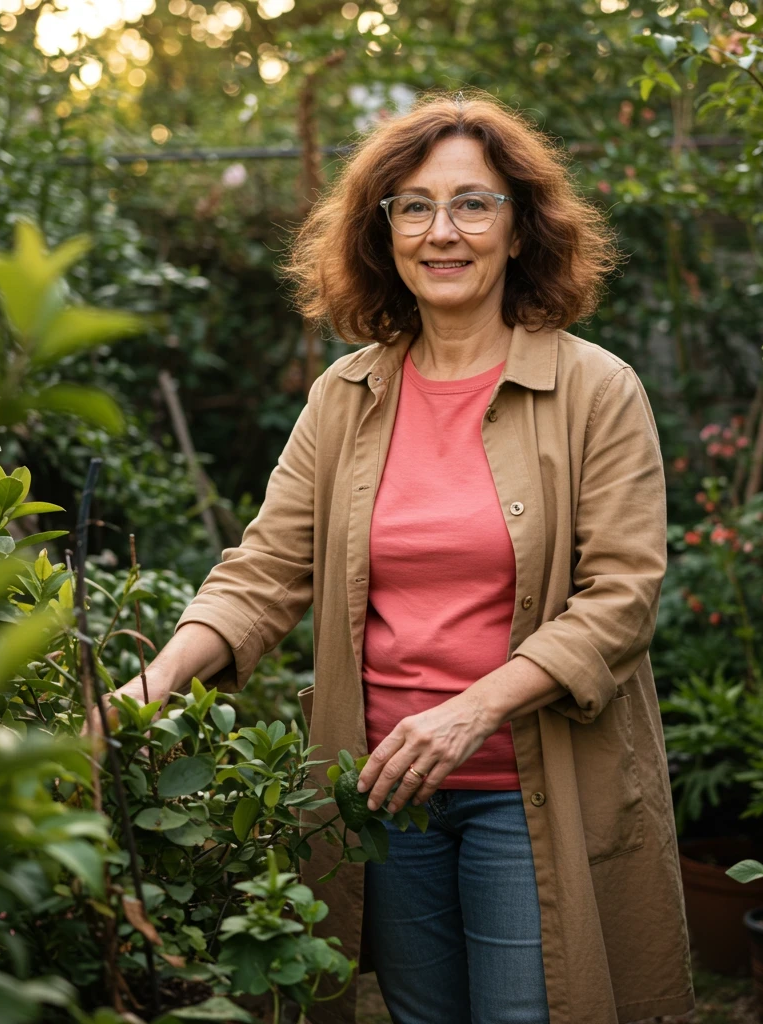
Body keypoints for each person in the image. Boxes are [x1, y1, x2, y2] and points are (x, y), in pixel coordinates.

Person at [107, 89, 694, 1024]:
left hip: (525, 791)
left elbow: (622, 599)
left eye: (472, 203)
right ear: (383, 234)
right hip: (381, 791)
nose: (442, 231)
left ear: (519, 226)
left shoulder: (594, 389)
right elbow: (266, 568)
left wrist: (470, 714)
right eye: (413, 206)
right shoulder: (347, 395)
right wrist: (155, 682)